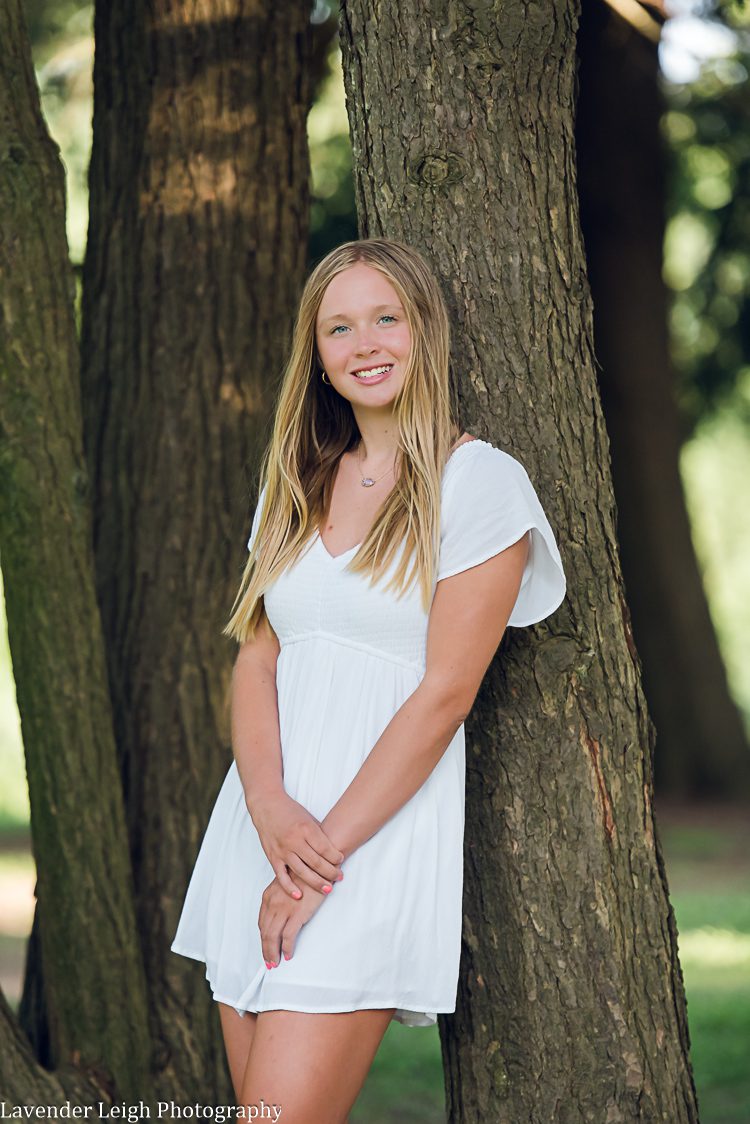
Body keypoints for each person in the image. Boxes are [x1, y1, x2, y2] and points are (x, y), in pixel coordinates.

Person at [170, 237, 567, 1123]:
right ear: (317, 355)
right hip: (258, 833)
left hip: (362, 849)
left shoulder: (480, 485)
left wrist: (315, 864)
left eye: (386, 318)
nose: (366, 344)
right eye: (339, 327)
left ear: (425, 328)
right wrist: (270, 812)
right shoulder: (297, 481)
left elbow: (443, 697)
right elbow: (257, 654)